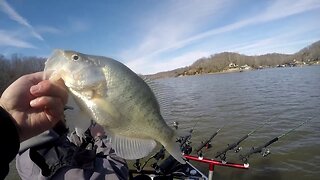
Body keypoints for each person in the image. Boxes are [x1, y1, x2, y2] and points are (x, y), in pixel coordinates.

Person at [0, 72, 68, 179]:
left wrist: (9, 119)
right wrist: (99, 138)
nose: (65, 116)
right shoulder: (48, 157)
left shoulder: (20, 152)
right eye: (63, 112)